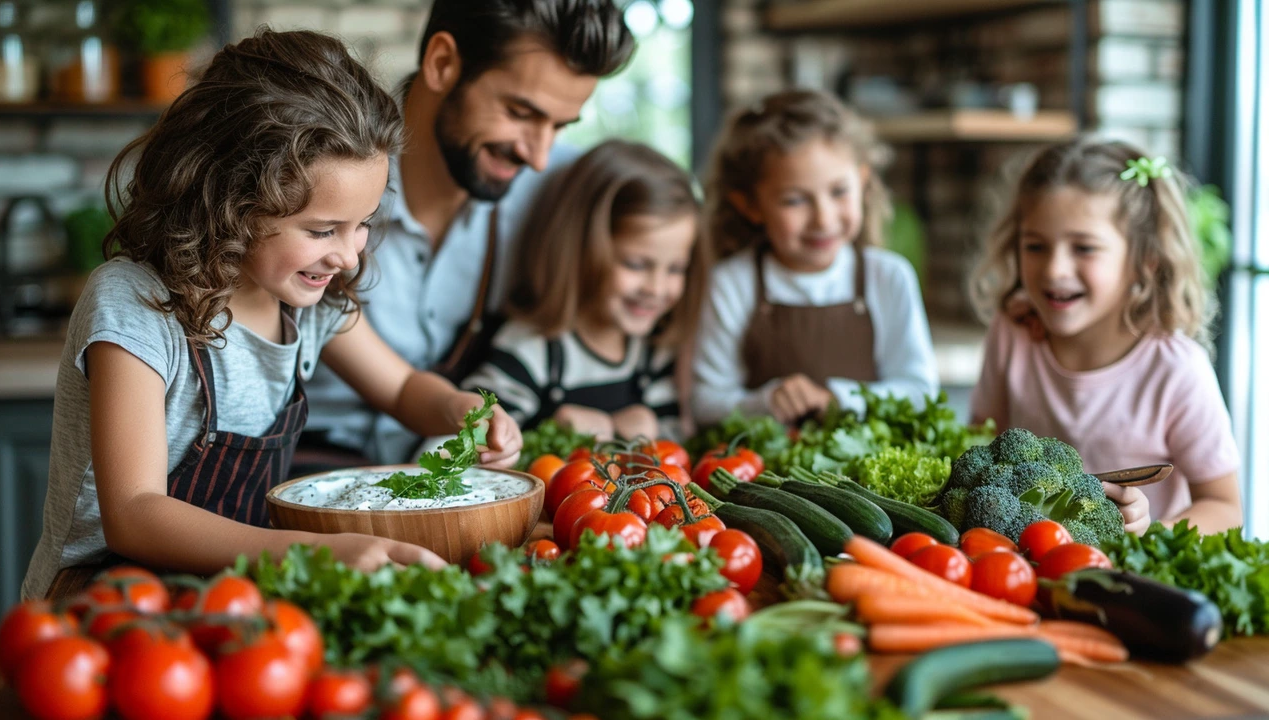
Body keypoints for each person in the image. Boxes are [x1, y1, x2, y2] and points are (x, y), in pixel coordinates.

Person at [23, 29, 522, 601]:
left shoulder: (308, 305)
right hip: (105, 601)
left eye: (362, 223)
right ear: (228, 200)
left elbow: (404, 387)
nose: (349, 253)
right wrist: (313, 550)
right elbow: (135, 513)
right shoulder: (134, 303)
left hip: (229, 593)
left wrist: (460, 411)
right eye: (321, 230)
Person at [300, 0, 636, 467]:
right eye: (520, 112)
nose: (538, 156)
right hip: (306, 460)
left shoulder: (562, 190)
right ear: (442, 63)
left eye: (558, 126)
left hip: (459, 469)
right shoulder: (319, 171)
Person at [969, 138, 1241, 534]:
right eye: (1035, 246)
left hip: (1132, 577)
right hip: (1025, 566)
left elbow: (1224, 506)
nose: (1054, 269)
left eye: (1084, 248)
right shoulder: (1013, 333)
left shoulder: (1175, 369)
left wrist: (1151, 532)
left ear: (1143, 261)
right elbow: (980, 447)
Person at [692, 89, 938, 426]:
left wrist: (839, 399)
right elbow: (705, 403)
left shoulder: (889, 277)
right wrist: (765, 403)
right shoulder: (734, 283)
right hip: (764, 475)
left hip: (864, 475)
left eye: (839, 191)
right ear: (749, 205)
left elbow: (921, 391)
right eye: (795, 200)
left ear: (862, 181)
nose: (823, 219)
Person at [458, 140, 711, 442]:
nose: (656, 288)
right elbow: (463, 442)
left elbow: (676, 452)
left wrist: (651, 430)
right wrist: (551, 428)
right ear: (580, 251)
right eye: (635, 264)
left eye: (675, 269)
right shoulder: (532, 351)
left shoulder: (652, 355)